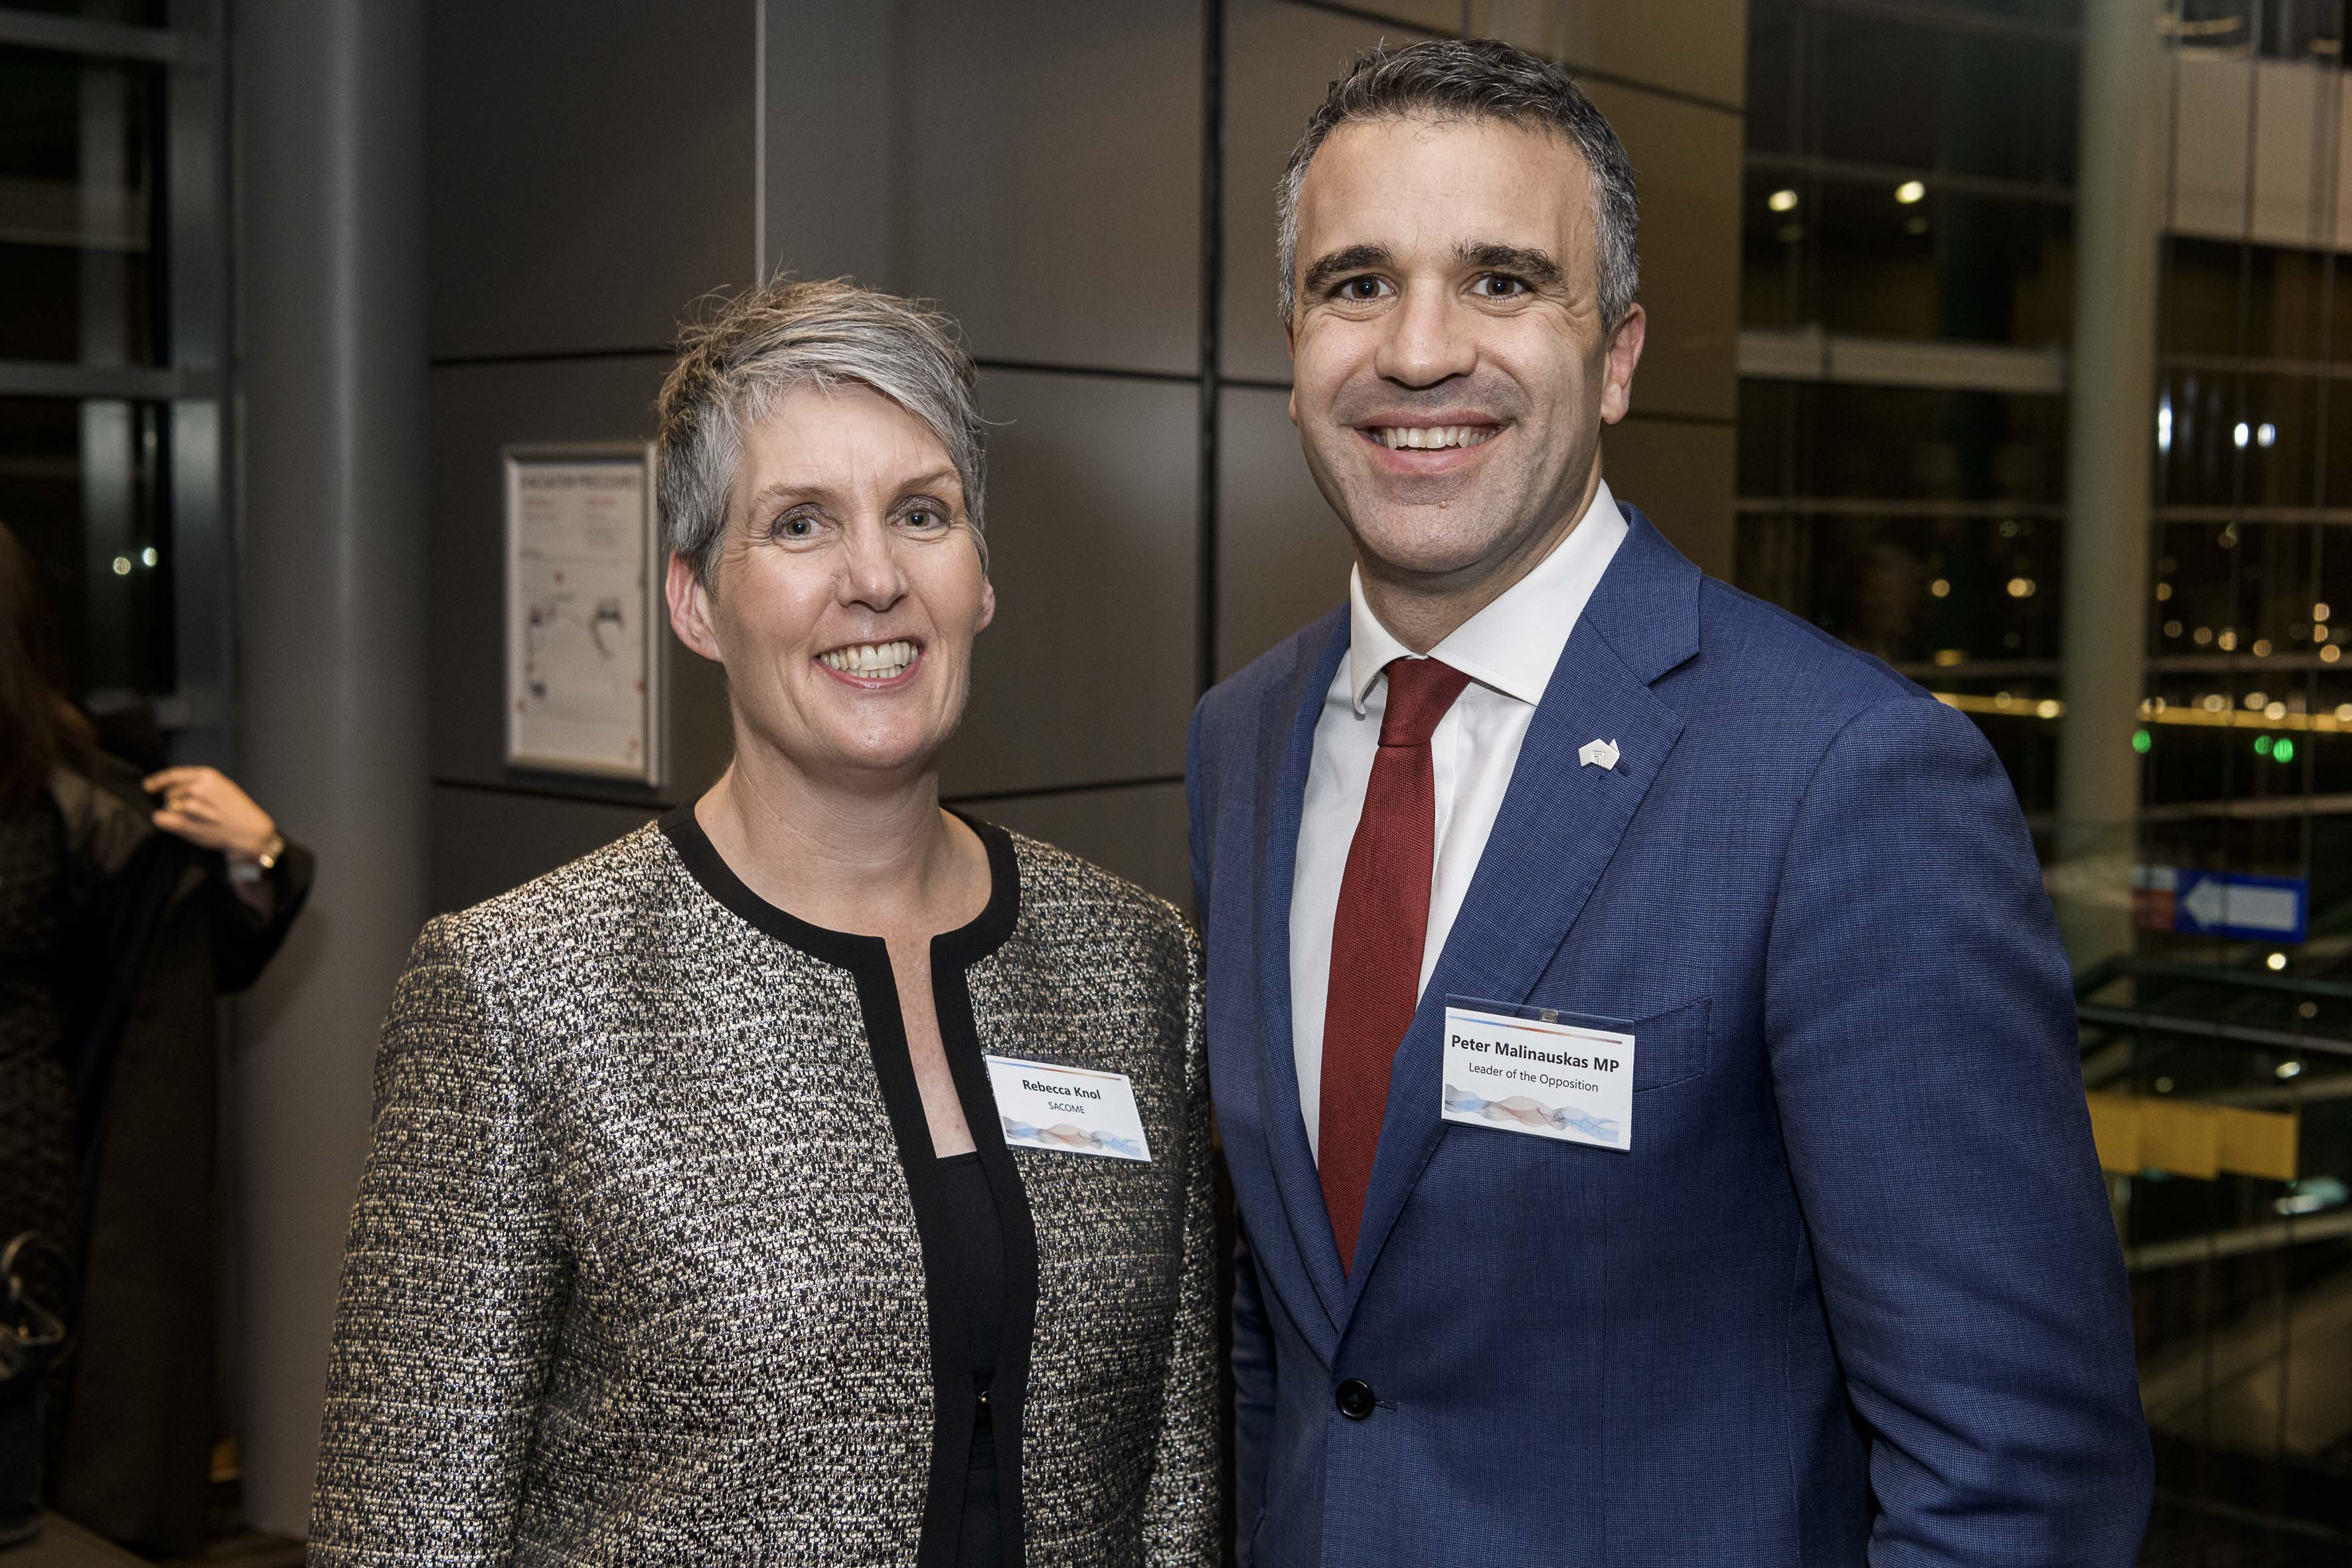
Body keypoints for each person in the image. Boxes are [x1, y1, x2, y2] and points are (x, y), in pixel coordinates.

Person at [1186, 39, 2152, 1565]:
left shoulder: (1843, 778)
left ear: (1618, 354)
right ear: (1293, 343)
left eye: (1501, 280)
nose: (1417, 350)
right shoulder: (1240, 740)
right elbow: (1291, 1330)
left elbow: (2016, 1474)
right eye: (1355, 283)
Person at [310, 278, 1218, 1567]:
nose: (875, 578)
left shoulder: (1136, 964)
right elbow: (404, 1535)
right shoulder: (521, 990)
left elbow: (1175, 1489)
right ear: (693, 600)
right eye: (800, 524)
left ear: (980, 578)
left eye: (922, 513)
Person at [0, 522, 311, 1554]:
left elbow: (193, 951)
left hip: (32, 1170)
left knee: (44, 1467)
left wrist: (258, 853)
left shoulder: (73, 800)